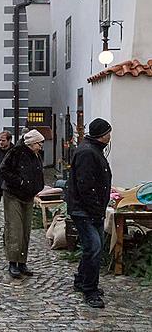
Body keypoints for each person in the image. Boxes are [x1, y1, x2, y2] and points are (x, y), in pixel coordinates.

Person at [68, 118, 113, 308]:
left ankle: (82, 279)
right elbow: (85, 185)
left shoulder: (91, 149)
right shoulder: (88, 152)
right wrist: (95, 208)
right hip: (85, 210)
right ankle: (90, 290)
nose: (111, 136)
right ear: (102, 135)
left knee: (91, 247)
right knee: (94, 247)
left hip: (89, 209)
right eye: (109, 132)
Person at [0, 128, 45, 279]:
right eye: (39, 143)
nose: (41, 146)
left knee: (25, 229)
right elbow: (3, 171)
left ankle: (22, 262)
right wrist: (20, 181)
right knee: (15, 228)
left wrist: (38, 187)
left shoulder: (36, 154)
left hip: (28, 196)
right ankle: (13, 262)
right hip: (13, 194)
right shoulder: (16, 152)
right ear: (32, 143)